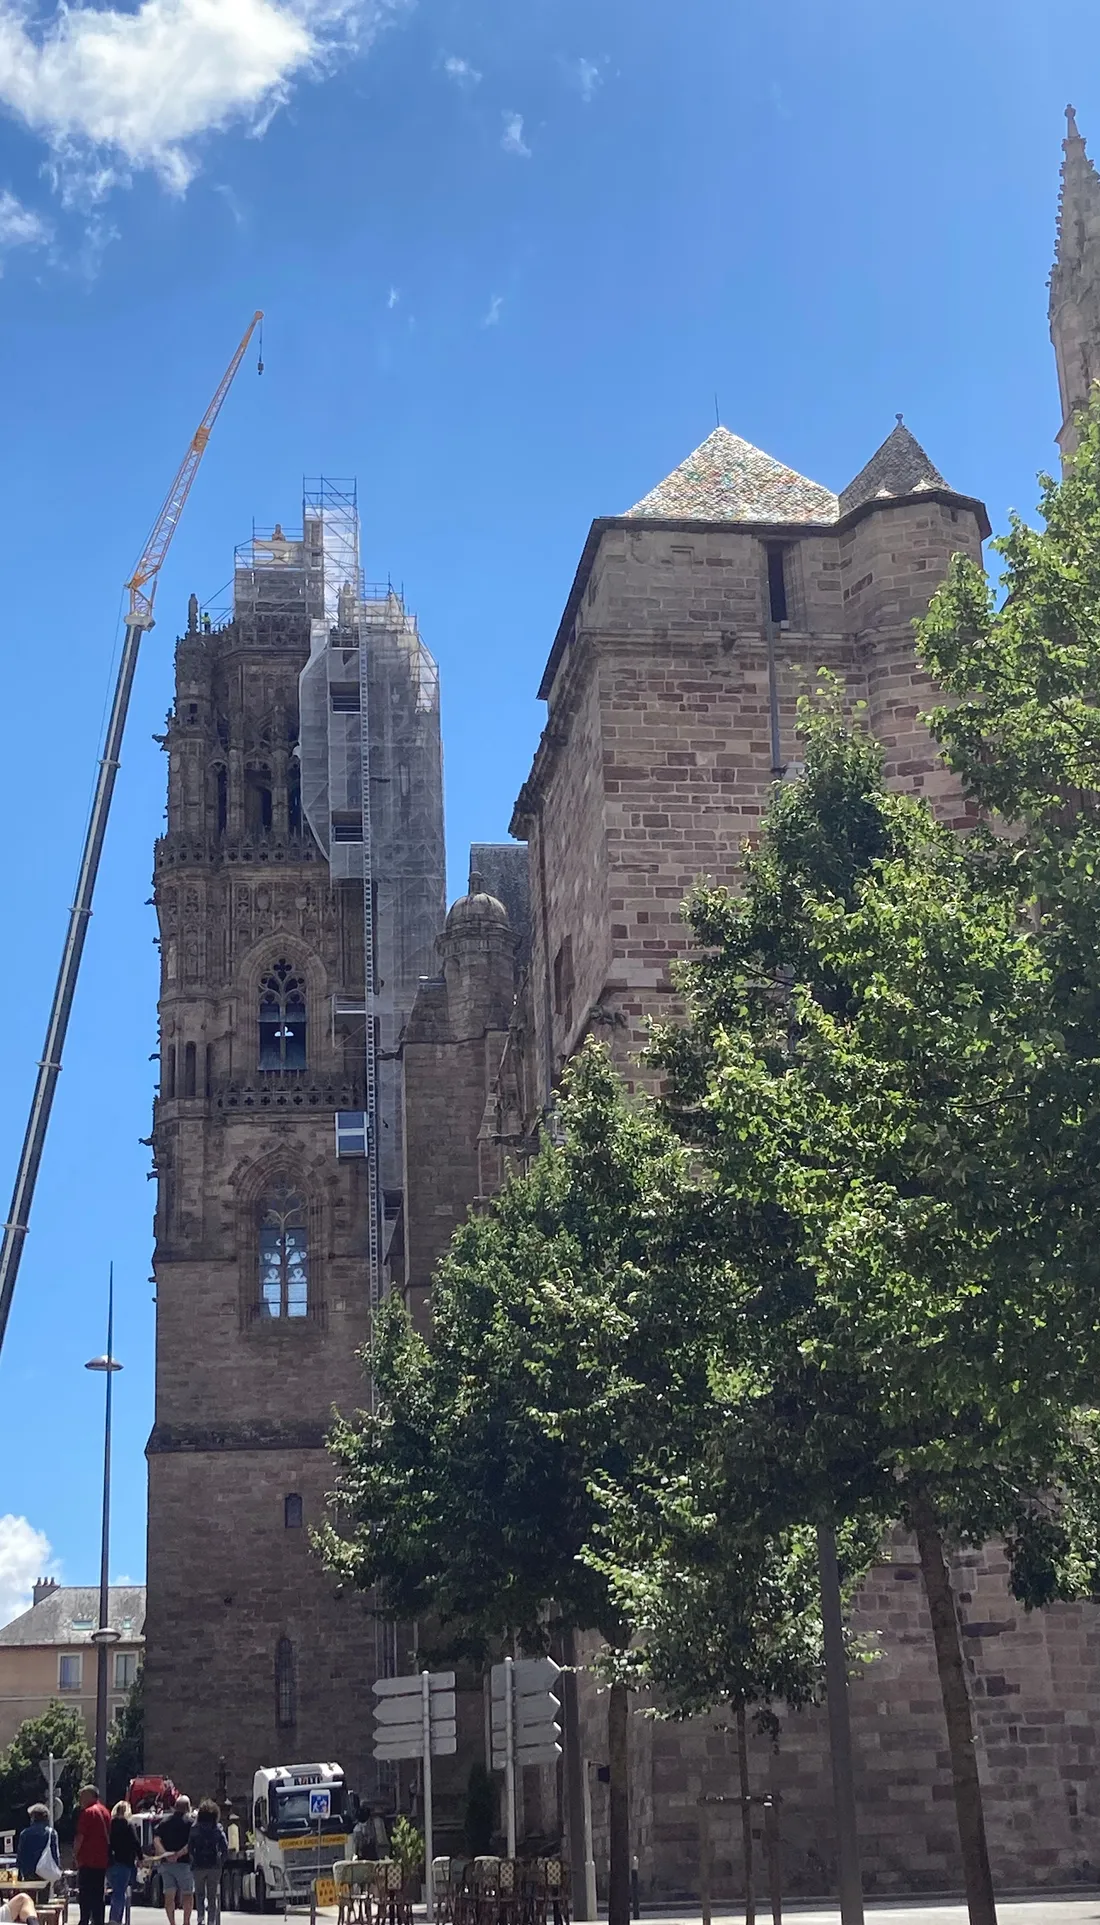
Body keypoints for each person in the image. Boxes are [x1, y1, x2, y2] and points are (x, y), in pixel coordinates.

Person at [153, 1794, 194, 1925]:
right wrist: (179, 1854)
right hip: (184, 1864)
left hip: (166, 1865)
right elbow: (191, 1843)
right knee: (187, 1894)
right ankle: (186, 1922)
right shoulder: (191, 1823)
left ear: (175, 1807)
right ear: (188, 1808)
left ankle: (172, 1923)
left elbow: (156, 1839)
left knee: (169, 1895)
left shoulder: (164, 1822)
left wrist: (165, 1854)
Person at [74, 1786, 112, 1925]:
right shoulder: (106, 1812)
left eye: (83, 1796)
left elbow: (80, 1837)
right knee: (98, 1895)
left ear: (91, 1796)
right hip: (102, 1861)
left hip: (87, 1860)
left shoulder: (88, 1812)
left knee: (84, 1894)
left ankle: (84, 1921)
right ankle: (98, 1921)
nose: (81, 1800)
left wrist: (75, 1854)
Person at [187, 1801, 227, 1925]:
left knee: (199, 1895)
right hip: (214, 1865)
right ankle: (211, 1920)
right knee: (212, 1896)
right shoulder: (217, 1829)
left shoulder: (195, 1829)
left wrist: (193, 1859)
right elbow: (224, 1847)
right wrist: (221, 1861)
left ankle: (200, 1918)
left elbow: (190, 1847)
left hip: (198, 1866)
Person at [107, 1801, 143, 1925]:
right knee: (120, 1892)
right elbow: (135, 1843)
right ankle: (115, 1918)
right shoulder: (128, 1825)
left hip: (110, 1863)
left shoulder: (109, 1825)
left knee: (116, 1890)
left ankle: (116, 1918)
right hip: (125, 1862)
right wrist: (140, 1858)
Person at [16, 1804, 58, 1888]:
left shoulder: (25, 1833)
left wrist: (19, 1874)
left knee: (29, 1898)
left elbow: (20, 1855)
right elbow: (55, 1854)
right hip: (45, 1871)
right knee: (43, 1898)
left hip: (29, 1871)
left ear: (33, 1817)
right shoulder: (51, 1833)